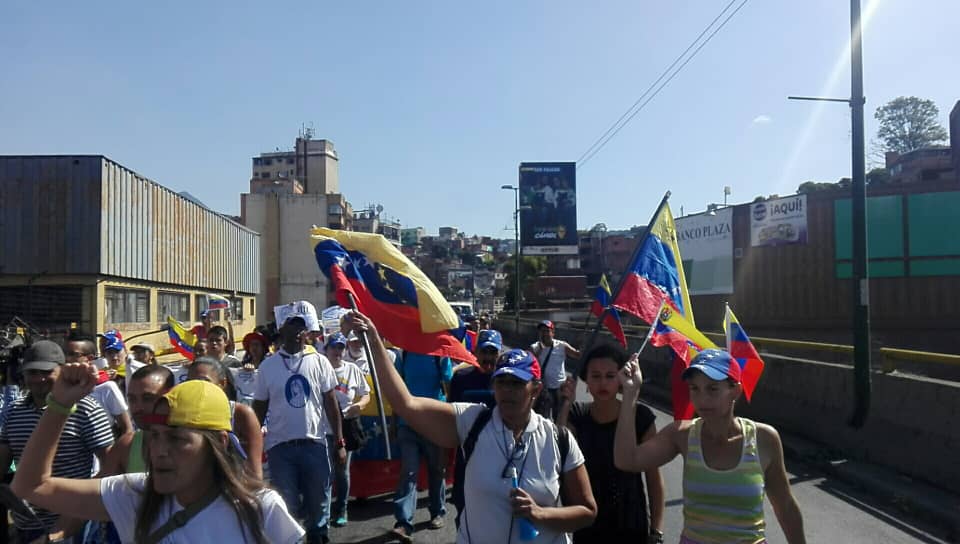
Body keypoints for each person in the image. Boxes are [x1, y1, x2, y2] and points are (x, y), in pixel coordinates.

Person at [344, 311, 597, 544]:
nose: (507, 390)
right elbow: (406, 404)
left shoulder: (558, 439)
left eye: (516, 384)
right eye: (502, 382)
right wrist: (374, 340)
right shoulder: (472, 421)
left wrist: (541, 515)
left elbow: (587, 511)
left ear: (536, 389)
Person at [11, 372, 305, 543]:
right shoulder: (133, 495)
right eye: (154, 436)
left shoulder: (259, 508)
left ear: (220, 442)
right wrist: (59, 406)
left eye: (177, 438)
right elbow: (31, 487)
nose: (159, 450)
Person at [614, 349, 806, 544]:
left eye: (712, 389)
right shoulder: (682, 435)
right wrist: (630, 393)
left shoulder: (763, 438)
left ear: (735, 391)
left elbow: (785, 506)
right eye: (694, 388)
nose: (702, 399)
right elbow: (627, 460)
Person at [0, 341, 115, 543]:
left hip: (72, 528)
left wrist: (78, 509)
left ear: (62, 371)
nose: (38, 379)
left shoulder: (87, 409)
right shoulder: (13, 411)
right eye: (32, 372)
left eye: (46, 372)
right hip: (25, 525)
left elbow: (111, 466)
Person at [557, 344, 665, 543]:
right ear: (586, 381)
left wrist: (656, 531)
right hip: (588, 521)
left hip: (631, 522)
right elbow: (559, 452)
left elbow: (654, 480)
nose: (603, 383)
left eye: (610, 376)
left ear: (621, 380)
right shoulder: (577, 414)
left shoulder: (641, 418)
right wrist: (565, 404)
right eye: (595, 376)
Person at [252, 311, 345, 544]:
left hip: (314, 444)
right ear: (281, 331)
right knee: (287, 504)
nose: (296, 332)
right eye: (291, 327)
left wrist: (340, 442)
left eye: (300, 327)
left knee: (318, 502)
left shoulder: (320, 362)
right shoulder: (267, 367)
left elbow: (332, 406)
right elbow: (258, 410)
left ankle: (318, 538)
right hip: (279, 448)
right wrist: (250, 446)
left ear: (306, 333)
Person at [390, 347, 455, 540]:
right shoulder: (404, 354)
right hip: (408, 423)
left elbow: (449, 388)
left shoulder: (440, 354)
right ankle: (403, 522)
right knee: (408, 472)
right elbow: (397, 389)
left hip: (434, 422)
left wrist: (450, 421)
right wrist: (394, 422)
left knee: (437, 469)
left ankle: (437, 512)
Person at [323, 332, 371, 527]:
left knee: (342, 471)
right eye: (334, 347)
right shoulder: (320, 368)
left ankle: (341, 509)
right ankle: (323, 513)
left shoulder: (352, 369)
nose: (337, 351)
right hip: (322, 428)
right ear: (326, 349)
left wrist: (359, 406)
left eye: (341, 347)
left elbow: (365, 395)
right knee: (324, 471)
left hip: (347, 426)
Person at [187, 357, 264, 479]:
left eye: (204, 381)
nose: (197, 387)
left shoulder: (241, 414)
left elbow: (255, 473)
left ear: (222, 383)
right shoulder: (184, 418)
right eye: (191, 382)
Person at [101, 365, 175, 476]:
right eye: (132, 399)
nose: (138, 407)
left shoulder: (190, 444)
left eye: (148, 398)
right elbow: (96, 487)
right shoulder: (126, 445)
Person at [65, 331, 133, 438]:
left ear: (90, 358)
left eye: (74, 355)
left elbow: (127, 430)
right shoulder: (59, 388)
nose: (68, 359)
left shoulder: (107, 387)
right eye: (66, 353)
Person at [530, 320, 581, 420]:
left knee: (559, 416)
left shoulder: (562, 346)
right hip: (543, 388)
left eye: (547, 331)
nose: (544, 333)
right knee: (542, 417)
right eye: (542, 331)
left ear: (553, 333)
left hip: (559, 388)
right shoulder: (535, 347)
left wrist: (582, 346)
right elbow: (530, 363)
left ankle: (558, 434)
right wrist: (539, 350)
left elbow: (577, 355)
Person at [449, 329, 501, 408]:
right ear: (476, 352)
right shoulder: (460, 378)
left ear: (500, 354)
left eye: (493, 352)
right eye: (484, 351)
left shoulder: (505, 382)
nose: (488, 357)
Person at [232, 331, 268, 406]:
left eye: (257, 345)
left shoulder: (268, 365)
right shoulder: (242, 365)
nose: (254, 347)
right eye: (252, 345)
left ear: (263, 347)